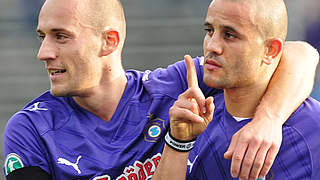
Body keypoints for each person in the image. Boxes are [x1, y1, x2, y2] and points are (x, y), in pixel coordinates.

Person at [2, 0, 319, 179]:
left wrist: (269, 119)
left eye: (60, 36)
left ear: (108, 41)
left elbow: (298, 54)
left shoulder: (182, 84)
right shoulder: (32, 127)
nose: (43, 52)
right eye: (42, 36)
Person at [153, 0, 320, 179]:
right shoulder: (193, 113)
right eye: (209, 31)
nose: (211, 46)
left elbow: (304, 52)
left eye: (230, 35)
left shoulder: (313, 132)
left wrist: (269, 119)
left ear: (270, 50)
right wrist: (178, 143)